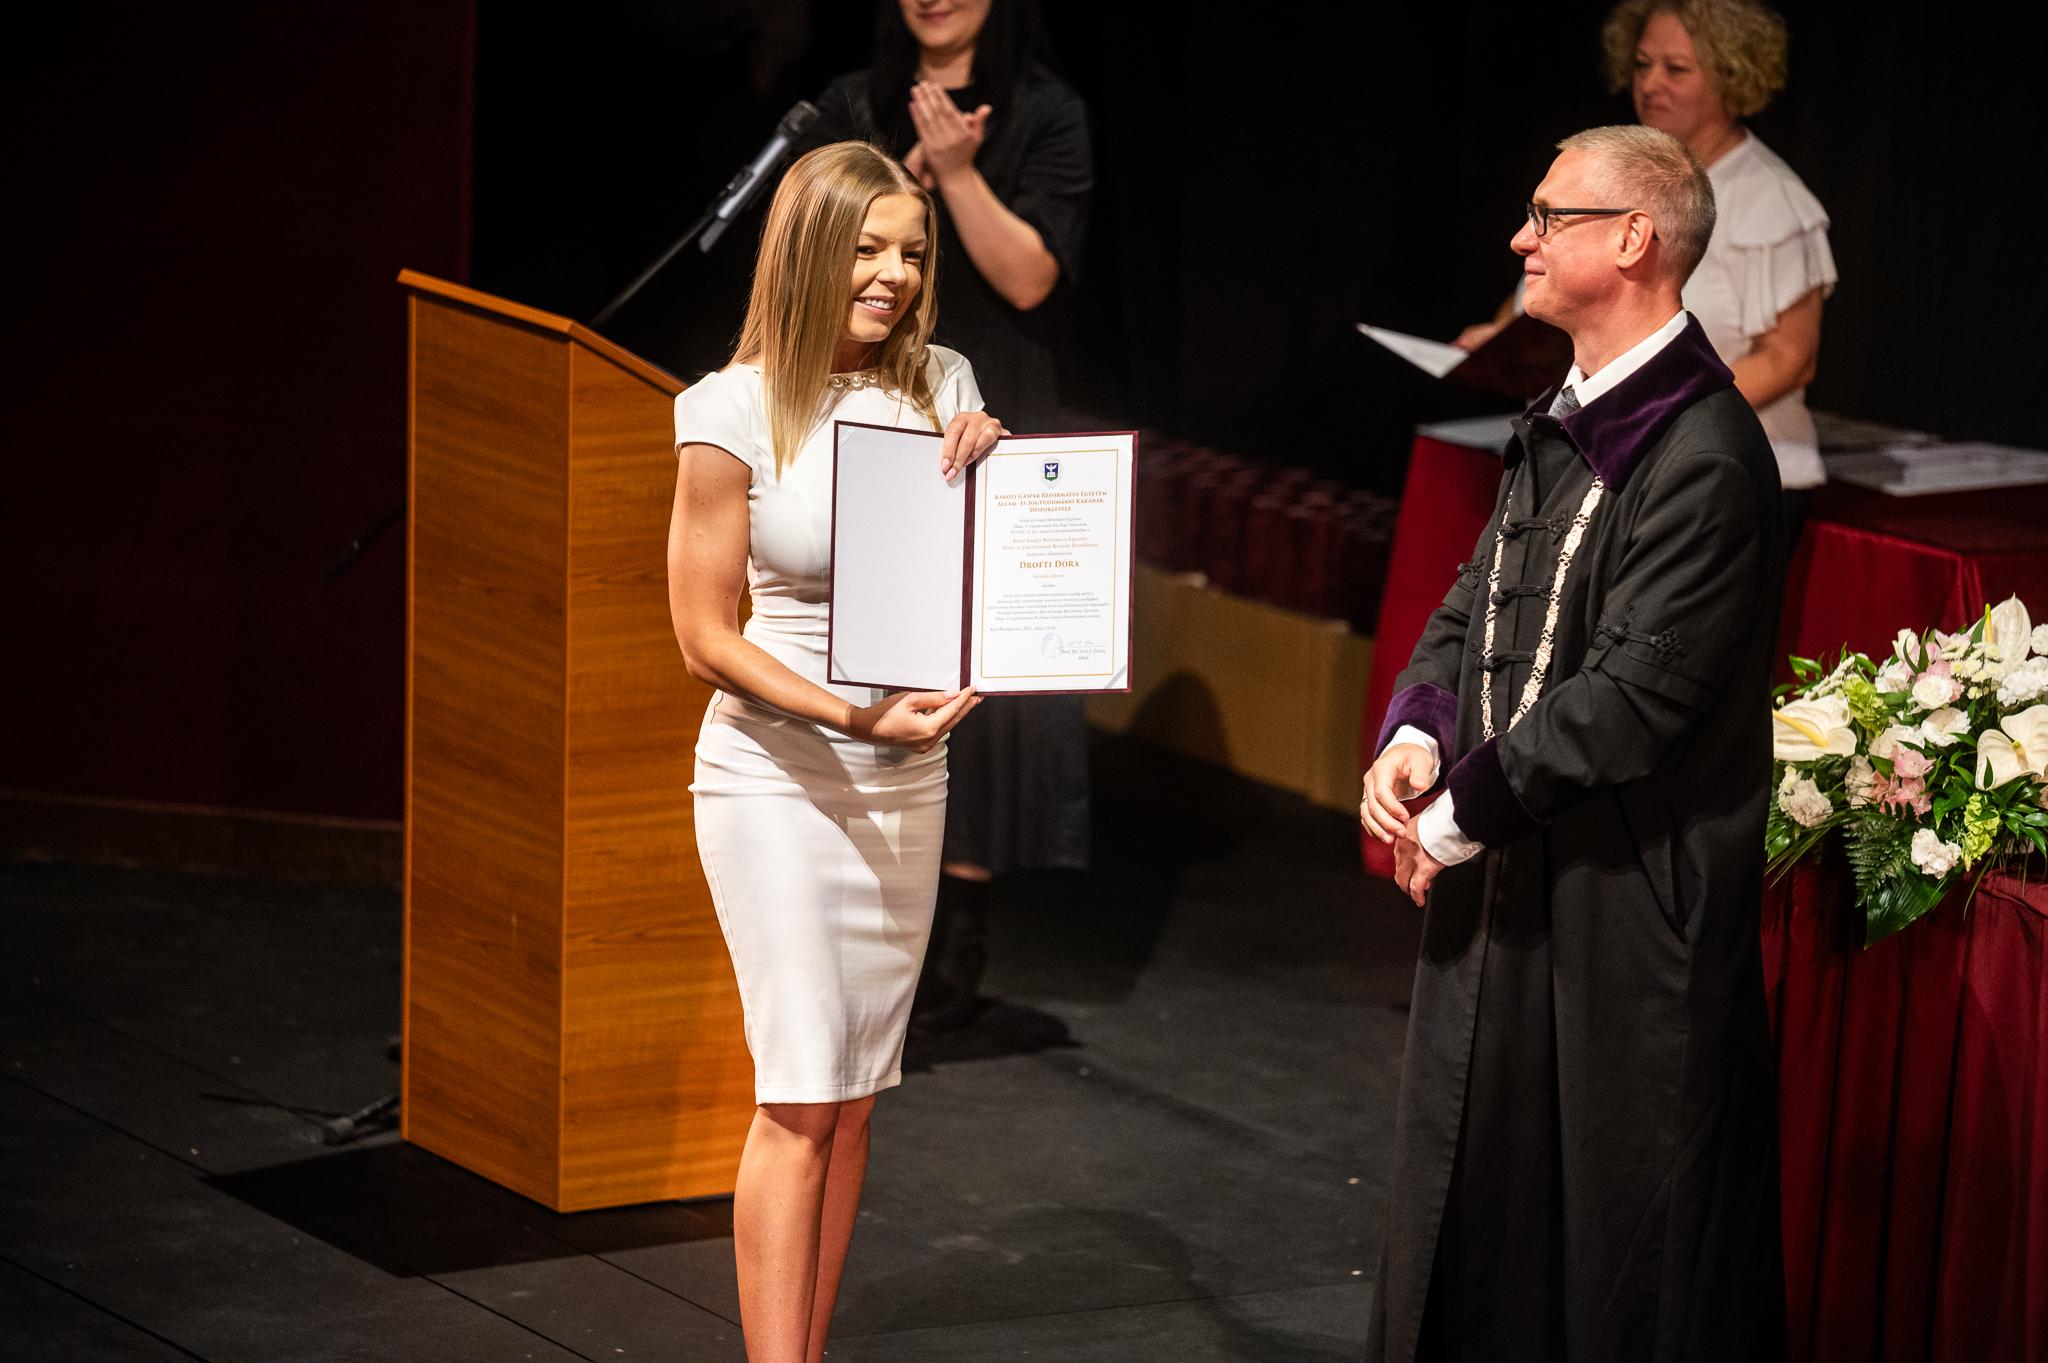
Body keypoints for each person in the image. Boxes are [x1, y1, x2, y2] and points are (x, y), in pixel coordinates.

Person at [1360, 126, 1786, 1361]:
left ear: (1632, 239)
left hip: (1626, 908)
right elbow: (1474, 598)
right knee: (1481, 1204)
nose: (1520, 239)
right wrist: (1417, 731)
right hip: (1514, 875)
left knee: (1612, 1242)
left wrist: (1451, 818)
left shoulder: (1702, 452)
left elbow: (1628, 701)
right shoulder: (1565, 412)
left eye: (1548, 217)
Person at [667, 141, 1005, 1363]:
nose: (892, 275)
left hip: (907, 780)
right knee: (802, 1094)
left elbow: (974, 573)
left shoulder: (944, 382)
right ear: (808, 252)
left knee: (854, 1097)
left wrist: (1004, 485)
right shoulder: (726, 409)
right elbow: (704, 637)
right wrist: (852, 716)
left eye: (910, 253)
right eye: (866, 249)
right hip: (775, 779)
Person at [802, 0, 1094, 1033]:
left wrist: (957, 177)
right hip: (856, 399)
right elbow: (801, 253)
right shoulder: (851, 104)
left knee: (970, 669)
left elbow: (1030, 277)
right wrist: (901, 182)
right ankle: (856, 910)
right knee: (866, 644)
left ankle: (956, 937)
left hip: (985, 401)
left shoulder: (1044, 113)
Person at [1461, 0, 1834, 547]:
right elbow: (1538, 291)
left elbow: (1789, 358)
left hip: (1714, 473)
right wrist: (1500, 342)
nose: (1651, 83)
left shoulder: (1772, 201)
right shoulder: (1614, 176)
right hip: (1595, 458)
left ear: (1732, 76)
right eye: (1641, 65)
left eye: (1676, 68)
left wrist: (1648, 419)